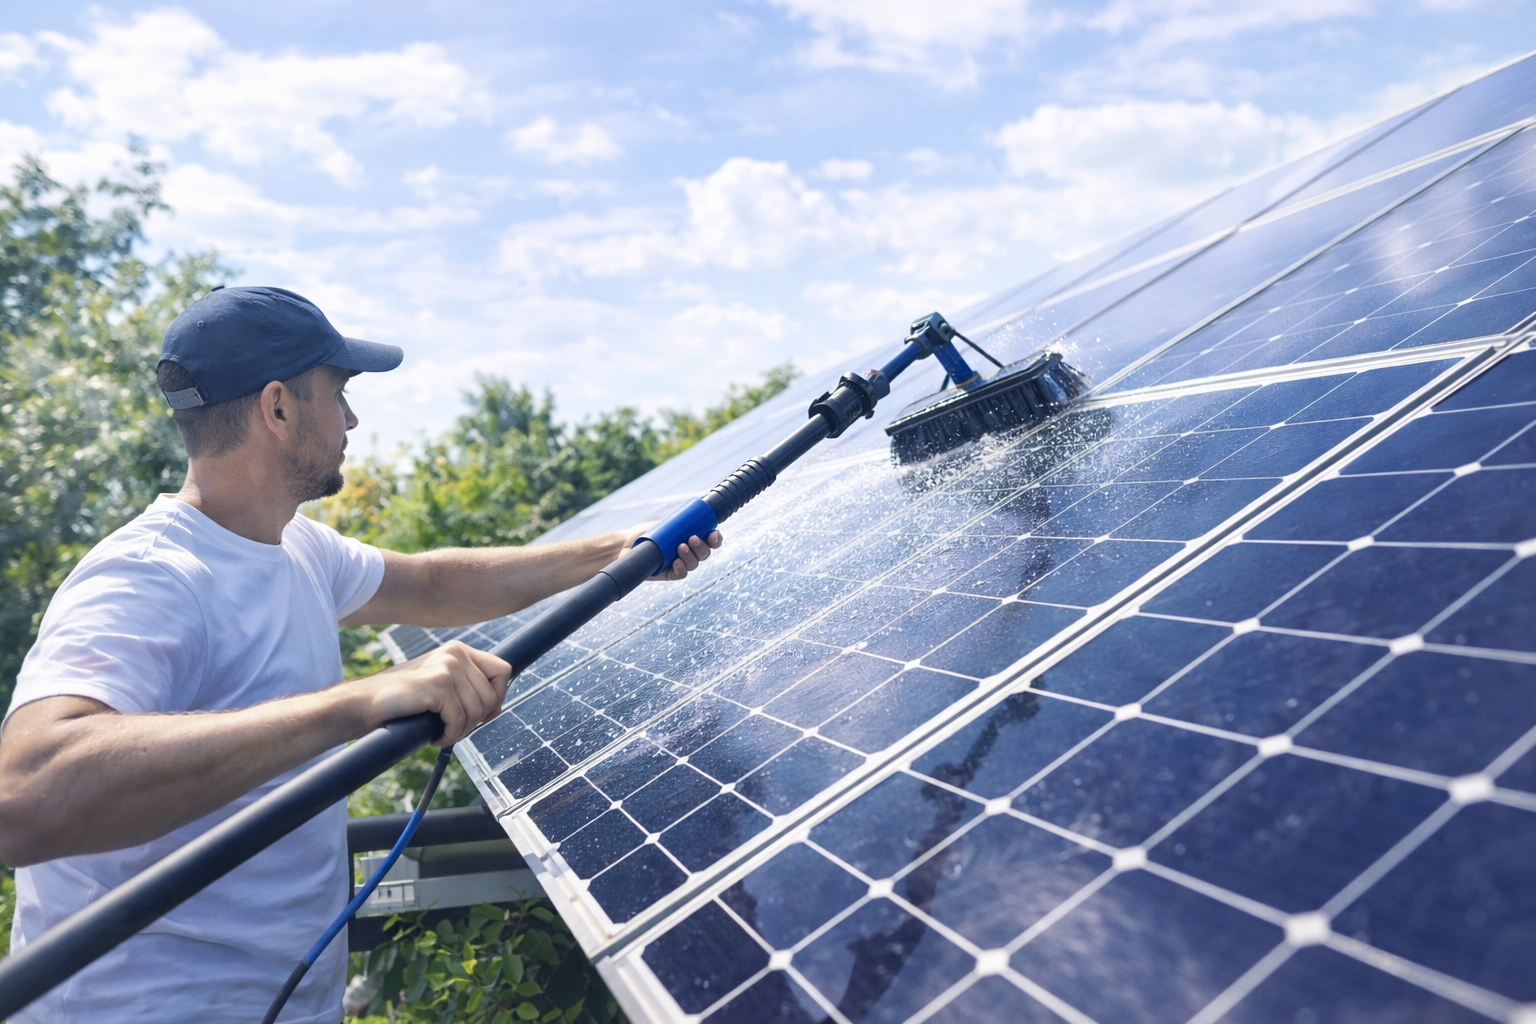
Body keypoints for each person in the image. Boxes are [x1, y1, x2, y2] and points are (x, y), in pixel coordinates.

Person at [0, 285, 721, 1023]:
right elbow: (23, 796)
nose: (352, 418)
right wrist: (361, 701)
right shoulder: (150, 575)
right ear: (278, 408)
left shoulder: (297, 547)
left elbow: (437, 584)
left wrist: (621, 549)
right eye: (338, 393)